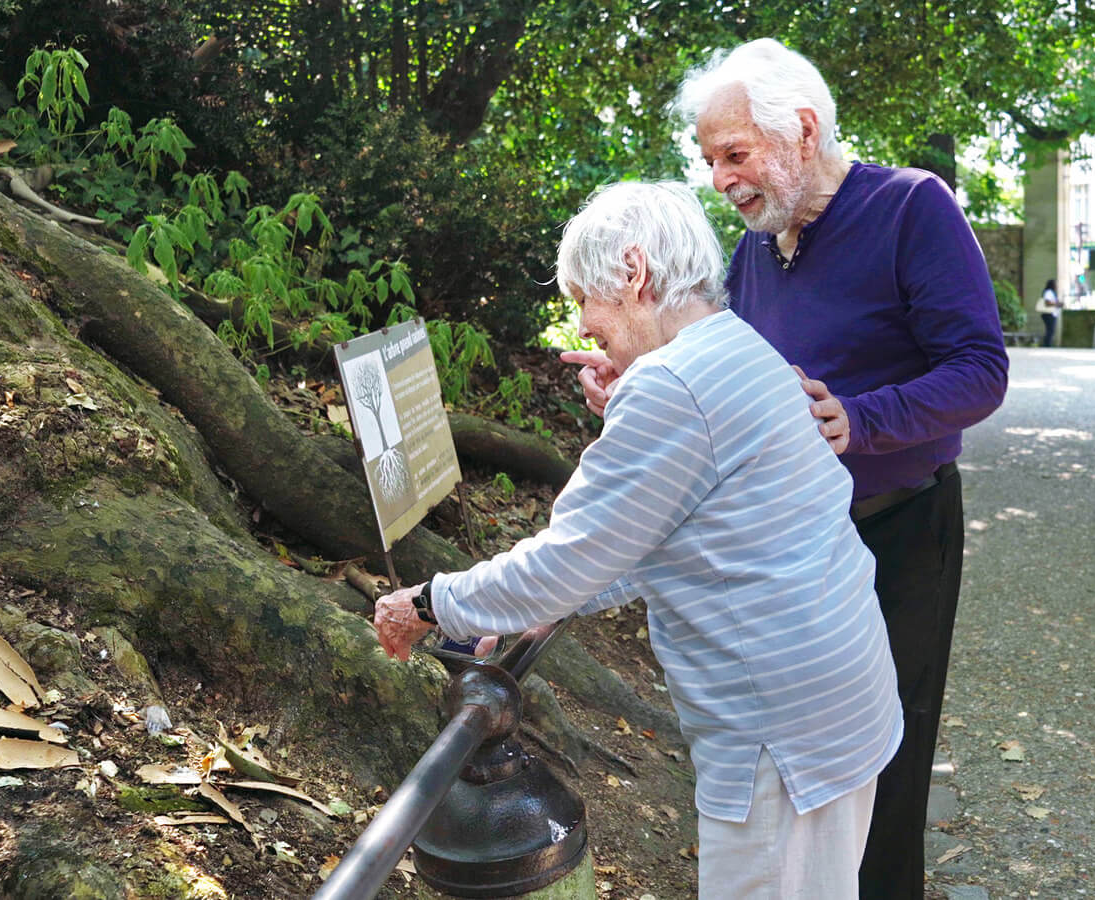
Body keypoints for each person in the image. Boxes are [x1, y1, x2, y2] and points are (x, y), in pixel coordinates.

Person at [564, 39, 1008, 900]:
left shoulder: (912, 207)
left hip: (900, 524)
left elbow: (981, 370)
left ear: (803, 131)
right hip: (794, 548)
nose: (723, 179)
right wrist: (632, 382)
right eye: (711, 161)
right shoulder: (757, 247)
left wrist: (862, 417)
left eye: (737, 154)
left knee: (888, 771)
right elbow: (718, 366)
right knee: (810, 785)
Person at [375, 181, 903, 900]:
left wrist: (434, 603)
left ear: (633, 273)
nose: (585, 324)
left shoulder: (675, 386)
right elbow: (668, 531)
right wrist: (527, 608)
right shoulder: (737, 348)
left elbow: (573, 556)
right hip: (832, 691)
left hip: (781, 731)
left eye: (585, 298)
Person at [1037, 278, 1061, 346]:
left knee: (1051, 330)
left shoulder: (1052, 293)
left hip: (1052, 314)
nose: (1056, 285)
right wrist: (1057, 304)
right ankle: (1047, 345)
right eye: (1055, 284)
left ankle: (1048, 344)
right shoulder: (1048, 292)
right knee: (1050, 330)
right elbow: (1047, 302)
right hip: (1048, 314)